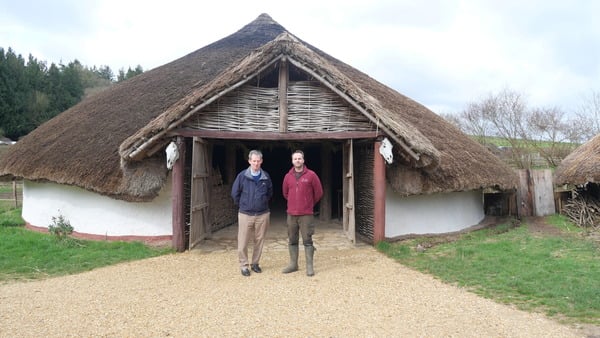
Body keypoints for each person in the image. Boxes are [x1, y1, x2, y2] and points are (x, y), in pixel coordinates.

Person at [231, 149, 273, 277]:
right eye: (253, 161)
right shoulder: (242, 176)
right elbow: (235, 193)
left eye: (258, 161)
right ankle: (244, 265)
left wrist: (263, 203)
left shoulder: (266, 176)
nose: (256, 163)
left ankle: (255, 263)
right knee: (243, 241)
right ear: (249, 161)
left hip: (262, 214)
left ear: (261, 161)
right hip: (245, 214)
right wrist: (243, 205)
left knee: (259, 240)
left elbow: (270, 193)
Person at [281, 149, 323, 277]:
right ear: (292, 161)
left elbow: (319, 193)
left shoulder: (311, 175)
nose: (297, 160)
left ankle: (309, 267)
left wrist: (308, 203)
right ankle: (294, 264)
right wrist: (295, 202)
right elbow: (285, 193)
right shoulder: (287, 177)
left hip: (306, 214)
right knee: (292, 240)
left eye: (299, 158)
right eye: (295, 159)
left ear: (303, 160)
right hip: (291, 214)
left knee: (307, 240)